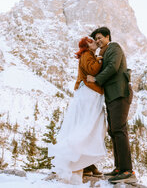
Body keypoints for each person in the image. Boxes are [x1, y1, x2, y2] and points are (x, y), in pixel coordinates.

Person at [48, 36, 107, 184]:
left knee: (88, 125)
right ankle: (75, 159)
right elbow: (92, 69)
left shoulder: (87, 55)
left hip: (89, 92)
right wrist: (100, 59)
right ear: (87, 44)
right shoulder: (87, 55)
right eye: (92, 41)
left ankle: (81, 164)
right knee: (87, 125)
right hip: (89, 92)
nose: (95, 42)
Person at [87, 26, 137, 184]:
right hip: (112, 96)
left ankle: (128, 170)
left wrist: (96, 79)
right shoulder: (103, 52)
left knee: (119, 130)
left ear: (108, 37)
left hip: (120, 93)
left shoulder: (114, 47)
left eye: (100, 37)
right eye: (96, 39)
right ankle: (119, 168)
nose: (98, 40)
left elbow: (113, 67)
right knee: (114, 131)